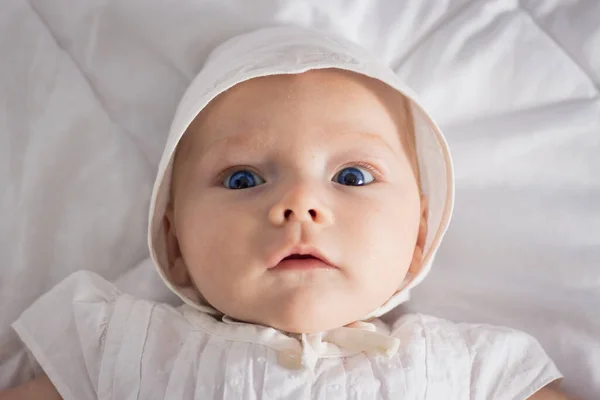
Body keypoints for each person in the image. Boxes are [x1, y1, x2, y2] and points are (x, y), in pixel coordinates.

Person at [1, 26, 569, 399]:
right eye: (243, 179)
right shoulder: (126, 346)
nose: (299, 204)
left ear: (418, 236)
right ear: (173, 243)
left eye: (352, 176)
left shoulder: (469, 369)